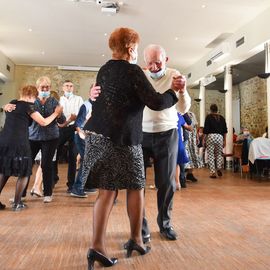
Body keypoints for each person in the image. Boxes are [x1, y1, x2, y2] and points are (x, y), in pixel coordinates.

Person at [81, 27, 185, 269]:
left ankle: (97, 247)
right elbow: (157, 102)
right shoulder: (133, 71)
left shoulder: (104, 69)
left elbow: (101, 97)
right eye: (136, 49)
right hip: (123, 139)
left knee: (106, 192)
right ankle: (136, 239)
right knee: (136, 186)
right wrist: (174, 91)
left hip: (96, 136)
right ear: (130, 49)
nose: (137, 53)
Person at [141, 44, 191, 242]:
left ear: (166, 59)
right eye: (149, 63)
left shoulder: (174, 74)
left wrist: (183, 91)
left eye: (158, 62)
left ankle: (165, 224)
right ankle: (141, 227)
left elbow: (183, 108)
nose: (153, 67)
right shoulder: (141, 76)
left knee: (167, 183)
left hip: (167, 133)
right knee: (137, 184)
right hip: (141, 133)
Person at [0, 85, 62, 211]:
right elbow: (43, 122)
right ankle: (17, 203)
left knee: (4, 170)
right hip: (19, 142)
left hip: (4, 141)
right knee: (24, 172)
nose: (35, 101)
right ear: (30, 96)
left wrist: (4, 106)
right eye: (35, 98)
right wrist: (56, 113)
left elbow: (7, 108)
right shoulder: (28, 107)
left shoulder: (13, 104)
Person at [56, 80, 83, 193]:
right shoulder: (58, 100)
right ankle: (53, 178)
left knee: (72, 156)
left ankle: (71, 184)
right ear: (63, 88)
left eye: (71, 86)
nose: (69, 88)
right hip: (60, 129)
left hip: (74, 128)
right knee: (54, 154)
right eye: (67, 86)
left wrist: (75, 119)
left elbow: (81, 114)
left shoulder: (79, 99)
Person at [70, 97, 96, 198]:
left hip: (89, 137)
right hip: (82, 137)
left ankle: (87, 185)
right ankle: (77, 188)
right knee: (86, 160)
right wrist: (83, 136)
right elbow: (78, 124)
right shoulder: (86, 105)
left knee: (88, 160)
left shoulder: (96, 105)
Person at [203, 104, 228, 178]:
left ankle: (213, 172)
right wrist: (224, 140)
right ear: (217, 110)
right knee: (219, 154)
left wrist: (204, 139)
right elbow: (225, 131)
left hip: (211, 136)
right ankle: (219, 168)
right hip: (220, 137)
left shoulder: (208, 117)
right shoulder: (222, 118)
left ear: (211, 110)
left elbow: (206, 130)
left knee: (210, 154)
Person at [185, 111, 203, 182]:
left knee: (192, 155)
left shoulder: (192, 114)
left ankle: (190, 174)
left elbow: (195, 126)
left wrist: (197, 137)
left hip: (192, 138)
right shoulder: (179, 113)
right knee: (186, 154)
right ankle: (182, 174)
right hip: (185, 136)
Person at [175, 113, 192, 189]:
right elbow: (189, 126)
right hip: (178, 141)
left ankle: (176, 182)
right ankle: (178, 182)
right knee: (178, 163)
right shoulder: (179, 115)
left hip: (167, 140)